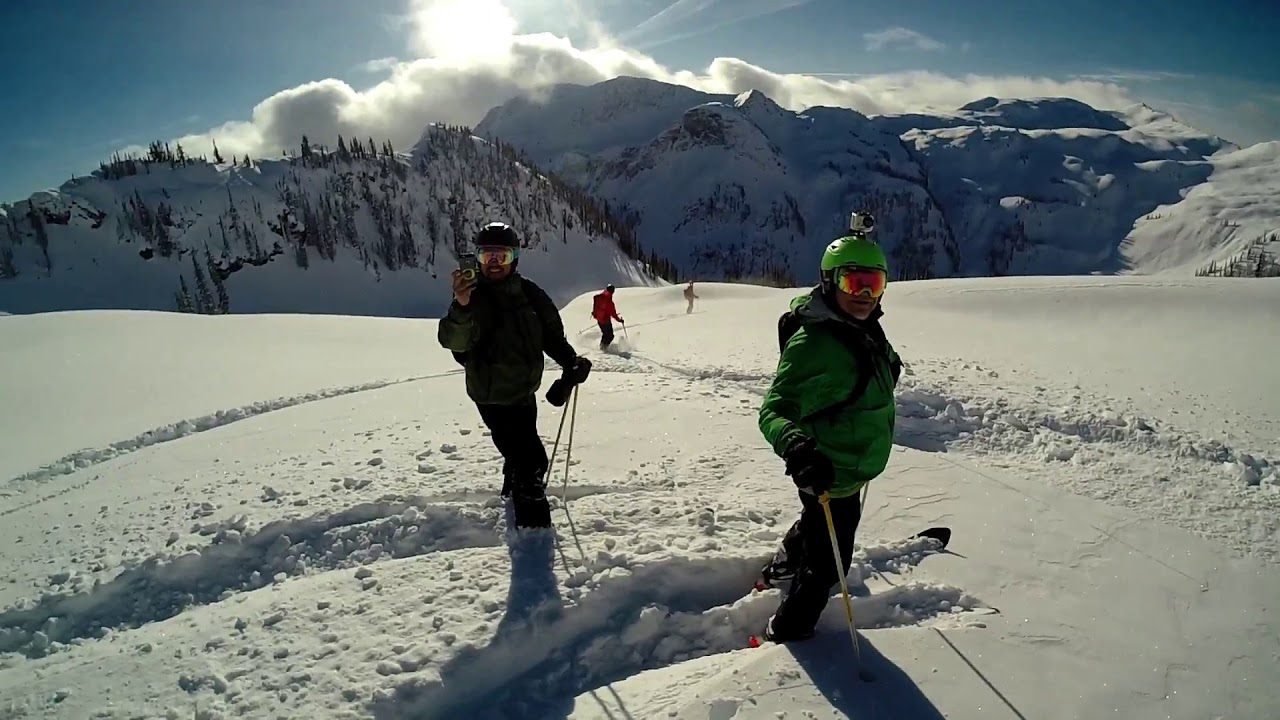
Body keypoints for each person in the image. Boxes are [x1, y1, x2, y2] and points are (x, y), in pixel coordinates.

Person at [754, 232, 903, 643]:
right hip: (828, 471)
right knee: (827, 565)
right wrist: (797, 448)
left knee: (817, 526)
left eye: (875, 283)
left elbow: (876, 365)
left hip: (846, 465)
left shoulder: (864, 327)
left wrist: (888, 364)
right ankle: (787, 630)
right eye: (854, 282)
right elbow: (774, 409)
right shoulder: (813, 343)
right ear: (829, 281)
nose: (866, 294)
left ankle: (783, 565)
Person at [437, 221, 592, 529]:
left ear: (515, 259)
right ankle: (534, 533)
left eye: (502, 256)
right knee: (531, 461)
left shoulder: (530, 295)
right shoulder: (471, 298)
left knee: (520, 451)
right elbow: (452, 341)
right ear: (477, 260)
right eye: (486, 257)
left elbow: (552, 337)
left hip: (524, 392)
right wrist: (462, 306)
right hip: (491, 395)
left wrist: (570, 361)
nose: (494, 264)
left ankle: (513, 492)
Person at [590, 284, 624, 350]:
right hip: (606, 321)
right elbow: (613, 314)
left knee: (605, 334)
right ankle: (603, 348)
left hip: (599, 320)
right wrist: (620, 320)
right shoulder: (609, 302)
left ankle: (602, 347)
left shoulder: (600, 296)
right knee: (610, 336)